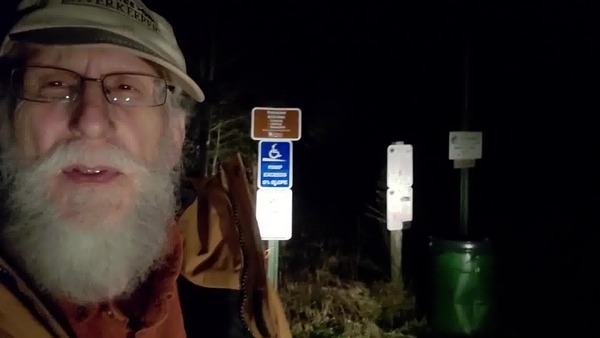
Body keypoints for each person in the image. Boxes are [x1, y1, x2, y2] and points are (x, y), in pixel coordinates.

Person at [0, 0, 291, 337]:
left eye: (126, 88)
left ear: (174, 137)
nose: (91, 122)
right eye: (55, 85)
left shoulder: (233, 278)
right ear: (6, 124)